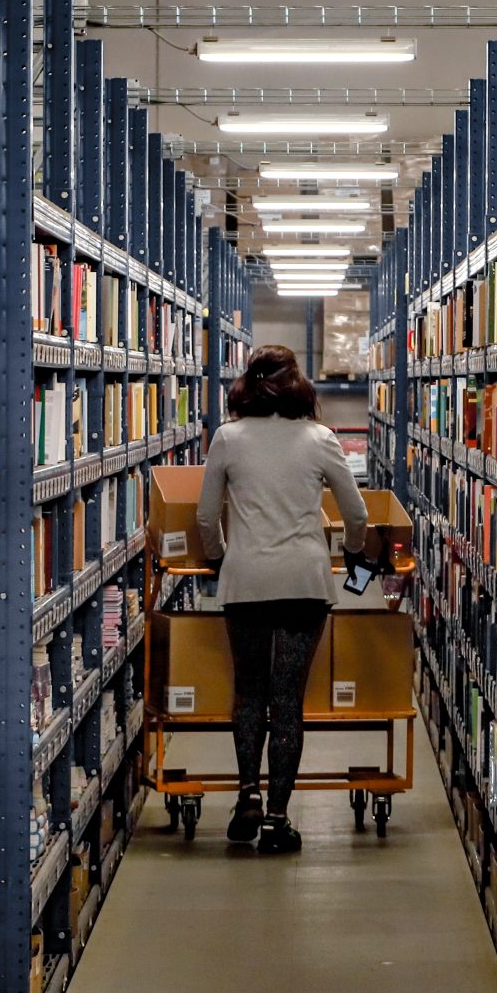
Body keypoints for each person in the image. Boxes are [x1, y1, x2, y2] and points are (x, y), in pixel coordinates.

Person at [194, 344, 367, 853]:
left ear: (246, 384)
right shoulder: (320, 438)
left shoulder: (228, 438)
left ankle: (247, 792)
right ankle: (276, 819)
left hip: (246, 582)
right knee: (288, 699)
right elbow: (356, 513)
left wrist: (220, 558)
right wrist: (353, 552)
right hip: (303, 583)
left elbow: (205, 516)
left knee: (250, 692)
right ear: (298, 386)